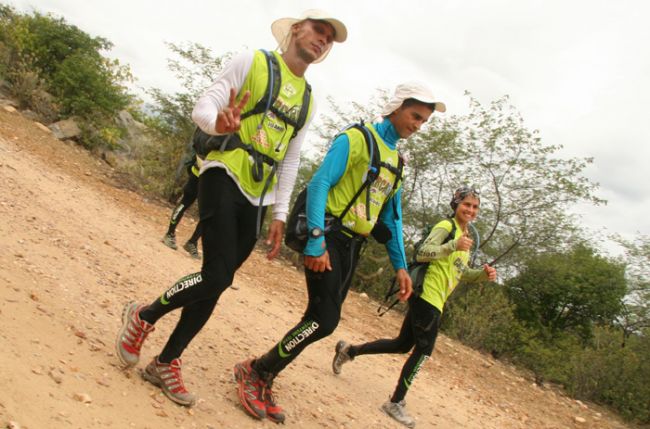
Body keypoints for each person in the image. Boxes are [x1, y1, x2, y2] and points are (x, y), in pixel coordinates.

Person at [115, 9, 347, 407]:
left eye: (329, 38)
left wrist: (278, 213)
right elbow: (204, 106)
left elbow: (290, 159)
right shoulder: (253, 61)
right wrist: (217, 125)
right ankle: (144, 316)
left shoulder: (308, 99)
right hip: (222, 172)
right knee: (217, 274)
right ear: (296, 29)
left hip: (258, 195)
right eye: (318, 30)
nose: (322, 40)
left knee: (217, 283)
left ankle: (166, 362)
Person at [233, 82, 446, 424]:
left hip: (352, 247)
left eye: (424, 121)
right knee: (324, 320)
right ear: (395, 107)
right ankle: (257, 371)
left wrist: (401, 267)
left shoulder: (397, 161)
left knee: (317, 318)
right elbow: (320, 183)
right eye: (415, 115)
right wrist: (316, 240)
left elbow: (392, 216)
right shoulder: (357, 139)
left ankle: (263, 373)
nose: (418, 125)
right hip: (329, 235)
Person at [331, 187, 497, 428]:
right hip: (427, 296)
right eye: (467, 204)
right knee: (423, 350)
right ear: (456, 204)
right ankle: (395, 402)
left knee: (402, 345)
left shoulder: (465, 237)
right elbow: (423, 253)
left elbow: (462, 274)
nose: (470, 210)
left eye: (475, 206)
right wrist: (453, 245)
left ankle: (349, 351)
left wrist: (482, 275)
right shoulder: (446, 227)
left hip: (436, 300)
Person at [162, 151, 203, 259]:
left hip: (199, 173)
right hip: (205, 177)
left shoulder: (209, 134)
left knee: (186, 203)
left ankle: (173, 235)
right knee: (207, 212)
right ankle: (187, 240)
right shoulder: (227, 134)